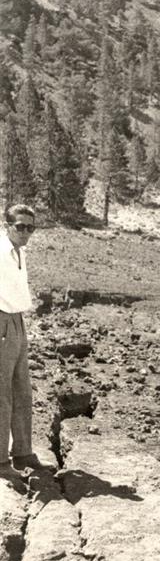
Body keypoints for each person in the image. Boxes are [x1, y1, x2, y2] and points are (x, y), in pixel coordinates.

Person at [0, 204, 44, 481]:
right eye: (20, 226)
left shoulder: (19, 253)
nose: (26, 232)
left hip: (16, 320)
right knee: (1, 393)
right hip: (1, 320)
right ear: (7, 225)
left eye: (30, 227)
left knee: (22, 390)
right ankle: (1, 461)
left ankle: (23, 451)